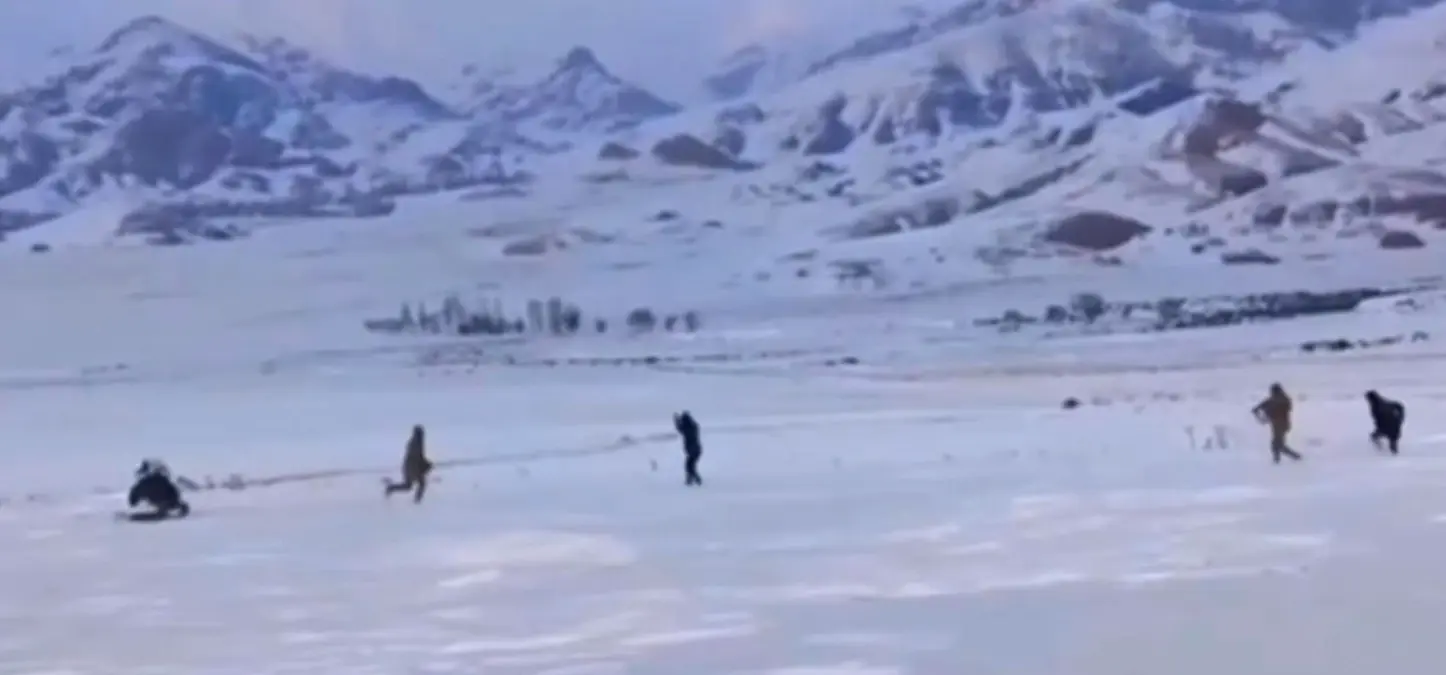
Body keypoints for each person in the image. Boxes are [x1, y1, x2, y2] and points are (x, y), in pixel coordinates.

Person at [1252, 383, 1302, 464]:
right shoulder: (1276, 399)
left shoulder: (1283, 400)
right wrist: (1258, 410)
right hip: (1278, 425)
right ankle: (1281, 460)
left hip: (1282, 425)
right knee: (1278, 444)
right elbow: (1264, 405)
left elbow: (1278, 408)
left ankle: (1291, 458)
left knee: (1277, 444)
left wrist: (1264, 412)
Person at [385, 425, 433, 503]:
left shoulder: (417, 442)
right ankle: (417, 502)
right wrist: (425, 464)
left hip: (411, 466)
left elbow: (419, 456)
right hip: (412, 467)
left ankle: (391, 488)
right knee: (419, 484)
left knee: (409, 486)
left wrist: (426, 463)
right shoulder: (415, 443)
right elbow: (415, 457)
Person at [1365, 390, 1406, 454]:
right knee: (1391, 444)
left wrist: (1399, 419)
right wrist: (1400, 418)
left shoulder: (1377, 406)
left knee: (1376, 437)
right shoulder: (1382, 402)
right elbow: (1398, 406)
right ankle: (1382, 451)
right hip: (1393, 426)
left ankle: (1382, 452)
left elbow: (1379, 418)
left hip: (1389, 427)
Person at [673, 411, 703, 486]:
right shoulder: (694, 426)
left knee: (689, 465)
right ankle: (691, 479)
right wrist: (678, 420)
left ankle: (695, 479)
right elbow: (682, 428)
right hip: (697, 449)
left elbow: (680, 429)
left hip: (692, 449)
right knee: (690, 465)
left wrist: (676, 420)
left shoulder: (688, 428)